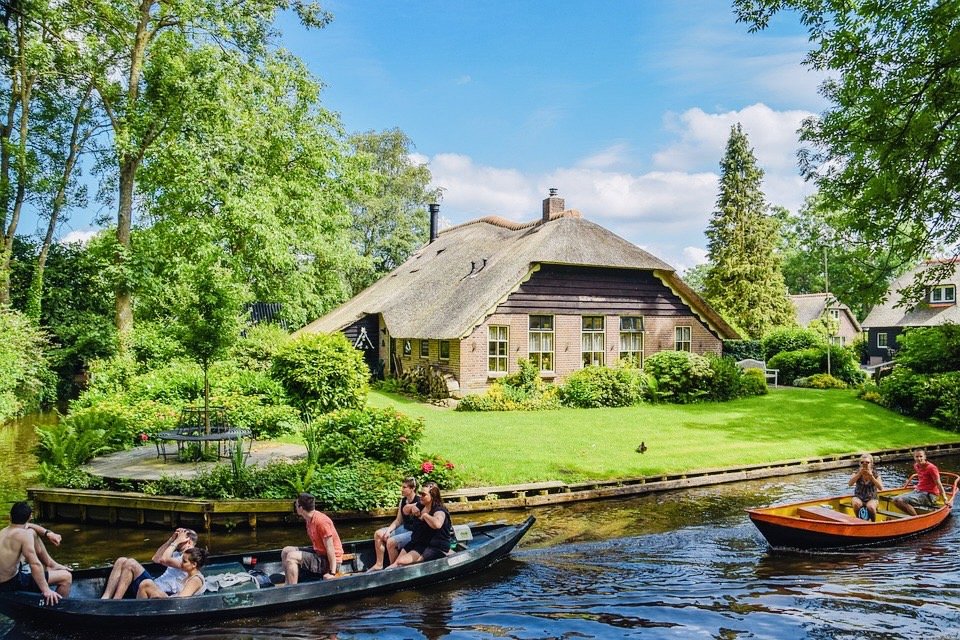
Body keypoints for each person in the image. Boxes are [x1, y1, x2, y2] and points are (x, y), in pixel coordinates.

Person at [0, 501, 72, 605]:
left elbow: (30, 526)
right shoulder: (24, 536)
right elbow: (35, 564)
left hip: (5, 577)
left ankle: (50, 565)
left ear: (9, 517)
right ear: (30, 517)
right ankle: (58, 608)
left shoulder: (4, 531)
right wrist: (46, 590)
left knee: (32, 532)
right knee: (66, 577)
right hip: (9, 583)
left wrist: (48, 533)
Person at [100, 527, 198, 599]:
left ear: (188, 541)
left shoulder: (190, 558)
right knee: (121, 560)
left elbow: (164, 559)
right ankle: (106, 597)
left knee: (131, 563)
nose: (178, 539)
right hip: (156, 584)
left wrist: (176, 542)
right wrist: (171, 540)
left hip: (163, 592)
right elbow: (156, 558)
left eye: (180, 537)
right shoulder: (176, 553)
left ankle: (116, 601)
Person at [281, 493, 343, 585]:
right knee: (286, 551)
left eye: (296, 505)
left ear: (301, 508)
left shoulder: (321, 522)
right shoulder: (308, 519)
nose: (295, 507)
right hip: (319, 553)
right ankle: (287, 584)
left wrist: (332, 572)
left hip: (330, 561)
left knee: (292, 557)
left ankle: (292, 590)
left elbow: (330, 549)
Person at [388, 482, 454, 568]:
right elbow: (405, 510)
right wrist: (412, 507)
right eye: (420, 494)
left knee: (400, 562)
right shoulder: (421, 504)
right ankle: (385, 574)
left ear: (433, 496)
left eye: (423, 494)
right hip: (417, 542)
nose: (420, 496)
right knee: (395, 564)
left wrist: (425, 516)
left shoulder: (439, 510)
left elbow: (437, 524)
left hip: (434, 546)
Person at [369, 477, 422, 571]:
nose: (401, 489)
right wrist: (388, 531)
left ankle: (394, 568)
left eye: (404, 487)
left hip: (413, 531)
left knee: (391, 542)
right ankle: (379, 564)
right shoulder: (403, 501)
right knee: (378, 534)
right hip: (404, 528)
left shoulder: (419, 502)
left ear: (412, 488)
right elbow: (398, 520)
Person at [136, 546, 208, 599]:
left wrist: (159, 595)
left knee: (146, 584)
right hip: (172, 600)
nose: (181, 563)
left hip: (176, 606)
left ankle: (138, 613)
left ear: (194, 565)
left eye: (184, 561)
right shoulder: (188, 575)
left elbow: (181, 600)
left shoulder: (195, 580)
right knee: (146, 584)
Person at [894, 449, 949, 516]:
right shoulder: (916, 466)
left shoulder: (931, 468)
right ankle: (912, 514)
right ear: (914, 457)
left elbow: (938, 483)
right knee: (895, 499)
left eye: (921, 456)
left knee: (900, 500)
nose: (919, 458)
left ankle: (916, 518)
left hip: (930, 495)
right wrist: (918, 486)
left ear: (925, 457)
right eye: (917, 457)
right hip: (918, 491)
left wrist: (945, 498)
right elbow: (923, 478)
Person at [849, 453, 884, 520]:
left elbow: (880, 488)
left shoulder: (875, 474)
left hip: (872, 498)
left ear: (871, 463)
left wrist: (871, 477)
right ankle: (858, 519)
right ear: (860, 463)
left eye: (867, 462)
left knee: (870, 506)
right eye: (862, 462)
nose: (864, 464)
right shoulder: (856, 472)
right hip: (859, 497)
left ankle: (873, 523)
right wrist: (859, 474)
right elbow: (850, 484)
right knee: (855, 503)